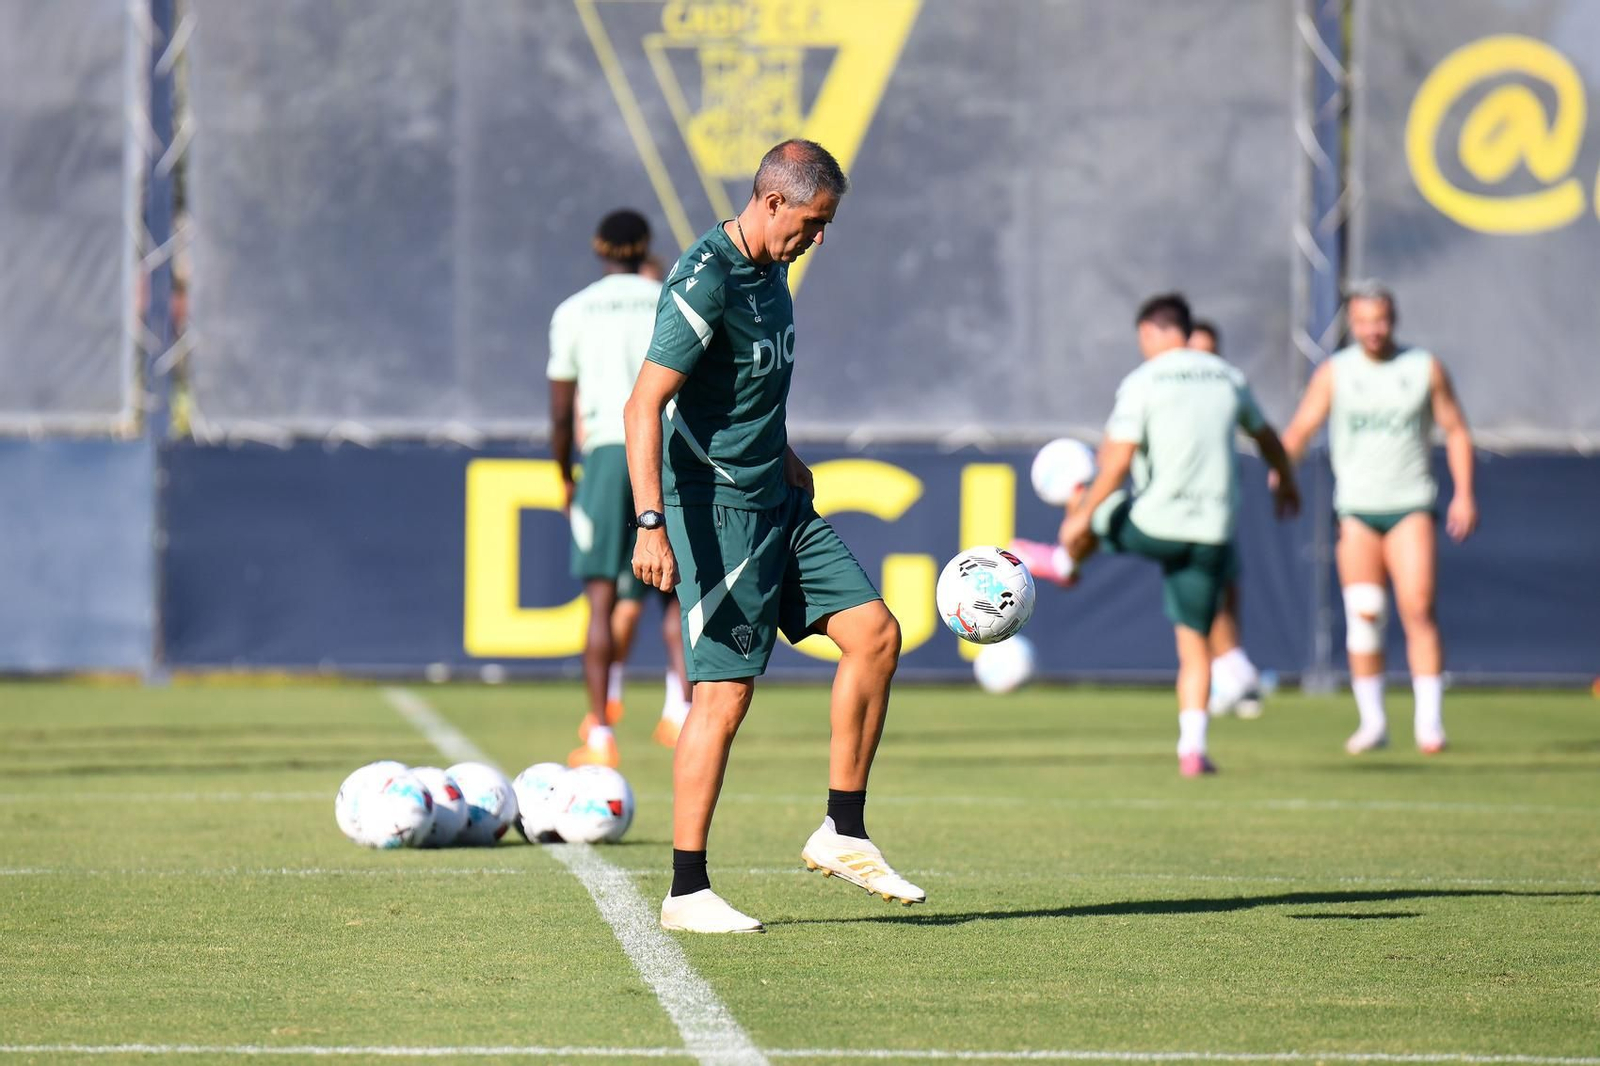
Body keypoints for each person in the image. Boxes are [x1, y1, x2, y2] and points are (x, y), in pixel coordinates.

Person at [624, 139, 922, 934]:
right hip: (714, 513)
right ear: (772, 203)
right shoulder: (704, 278)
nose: (819, 237)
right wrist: (651, 523)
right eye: (814, 221)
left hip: (778, 500)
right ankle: (688, 890)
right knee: (722, 696)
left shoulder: (775, 269)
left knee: (876, 635)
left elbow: (747, 384)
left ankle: (843, 831)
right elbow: (643, 405)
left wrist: (783, 455)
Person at [1058, 294, 1300, 776]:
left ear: (1150, 332)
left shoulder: (1143, 381)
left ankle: (1064, 562)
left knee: (1088, 505)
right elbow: (1268, 437)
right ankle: (1192, 750)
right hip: (1213, 532)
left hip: (1156, 525)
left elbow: (1118, 461)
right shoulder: (1227, 376)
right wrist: (1286, 480)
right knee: (1194, 644)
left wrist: (1081, 515)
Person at [1277, 281, 1476, 755]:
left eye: (1381, 320)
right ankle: (1373, 722)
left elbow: (1456, 430)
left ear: (1394, 319)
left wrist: (1464, 494)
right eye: (1364, 321)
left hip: (1409, 505)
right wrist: (1283, 474)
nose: (1373, 330)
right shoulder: (1336, 372)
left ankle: (1429, 723)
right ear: (1352, 323)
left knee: (1417, 606)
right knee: (1364, 615)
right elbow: (1302, 427)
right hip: (1358, 511)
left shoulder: (1423, 368)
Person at [548, 209, 692, 769]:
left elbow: (561, 410)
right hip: (669, 448)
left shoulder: (574, 311)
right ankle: (680, 712)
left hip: (610, 450)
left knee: (603, 601)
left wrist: (563, 471)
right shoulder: (667, 299)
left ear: (598, 247)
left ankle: (601, 733)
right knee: (678, 595)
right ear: (645, 246)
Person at [1186, 320, 1266, 719]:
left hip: (1219, 510)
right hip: (1180, 515)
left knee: (1222, 595)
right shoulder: (1166, 394)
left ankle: (1232, 674)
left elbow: (1260, 430)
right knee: (1204, 599)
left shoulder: (1226, 389)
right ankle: (1234, 674)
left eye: (1210, 353)